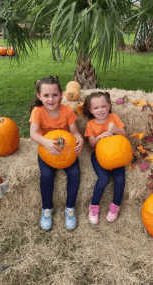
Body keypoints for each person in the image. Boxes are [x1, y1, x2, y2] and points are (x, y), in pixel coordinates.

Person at [29, 75, 83, 231]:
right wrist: (45, 142)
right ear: (39, 96)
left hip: (67, 150)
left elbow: (74, 132)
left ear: (61, 95)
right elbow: (33, 134)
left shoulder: (66, 111)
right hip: (47, 150)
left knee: (74, 174)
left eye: (54, 95)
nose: (51, 99)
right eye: (46, 95)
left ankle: (70, 208)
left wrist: (79, 140)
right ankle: (47, 209)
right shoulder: (38, 111)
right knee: (46, 176)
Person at [83, 91, 127, 225]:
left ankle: (115, 206)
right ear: (90, 110)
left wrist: (115, 130)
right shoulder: (90, 124)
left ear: (109, 106)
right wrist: (98, 137)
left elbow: (124, 134)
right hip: (99, 155)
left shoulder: (114, 118)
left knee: (120, 179)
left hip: (117, 154)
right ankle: (94, 206)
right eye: (96, 108)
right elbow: (91, 144)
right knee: (104, 179)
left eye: (103, 106)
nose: (100, 110)